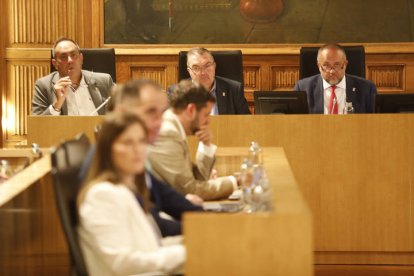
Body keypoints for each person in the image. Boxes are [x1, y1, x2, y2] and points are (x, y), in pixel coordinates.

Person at [77, 113, 185, 275]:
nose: (138, 150)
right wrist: (188, 253)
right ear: (107, 149)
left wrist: (195, 242)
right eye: (127, 142)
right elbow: (123, 262)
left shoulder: (126, 188)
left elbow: (151, 247)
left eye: (142, 141)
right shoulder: (102, 195)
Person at [148, 80, 238, 200]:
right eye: (206, 114)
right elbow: (191, 190)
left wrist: (206, 146)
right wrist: (236, 181)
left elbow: (196, 181)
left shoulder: (174, 128)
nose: (208, 121)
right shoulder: (167, 133)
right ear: (191, 110)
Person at [32, 37, 114, 115]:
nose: (70, 60)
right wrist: (56, 104)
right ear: (55, 63)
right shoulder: (43, 86)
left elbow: (123, 111)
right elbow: (37, 125)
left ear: (81, 58)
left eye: (73, 55)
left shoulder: (104, 81)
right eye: (63, 57)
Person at [294, 44, 377, 114]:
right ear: (319, 66)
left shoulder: (366, 89)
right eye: (326, 65)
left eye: (337, 65)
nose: (332, 71)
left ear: (345, 64)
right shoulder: (302, 88)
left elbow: (375, 122)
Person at [178, 47, 251, 115]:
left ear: (214, 66)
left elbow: (247, 123)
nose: (203, 73)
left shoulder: (234, 90)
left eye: (207, 66)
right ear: (189, 71)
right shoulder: (178, 93)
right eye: (196, 68)